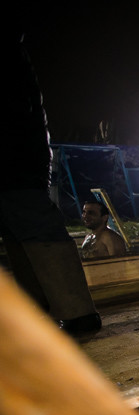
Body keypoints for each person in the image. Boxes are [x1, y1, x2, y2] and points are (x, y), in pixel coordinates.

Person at [2, 32, 101, 334]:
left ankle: (76, 312)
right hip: (18, 156)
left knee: (33, 224)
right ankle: (42, 309)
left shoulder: (9, 57)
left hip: (14, 157)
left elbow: (17, 112)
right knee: (16, 231)